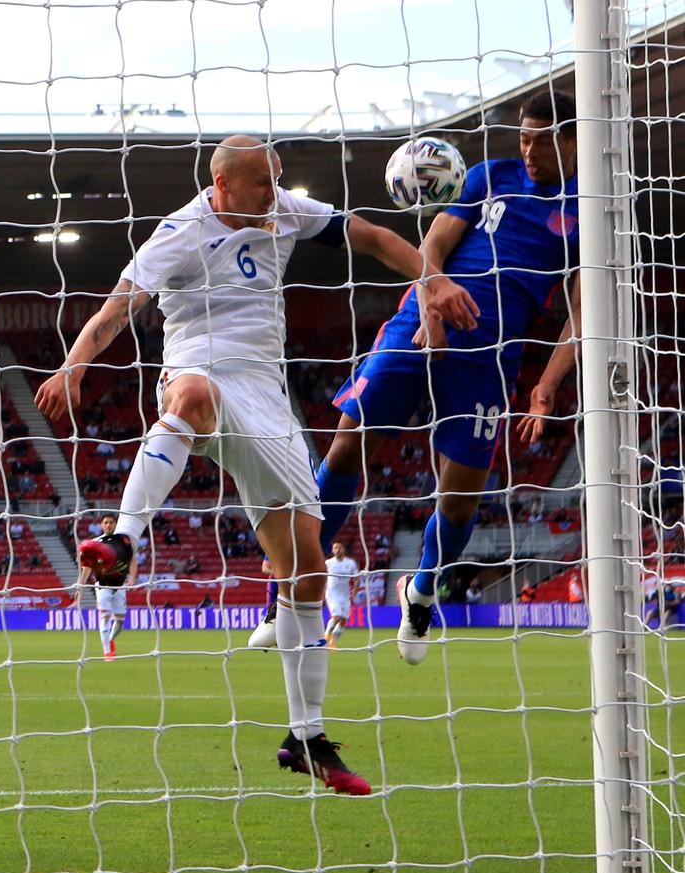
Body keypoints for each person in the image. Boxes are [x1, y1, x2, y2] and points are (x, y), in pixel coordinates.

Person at [34, 134, 470, 796]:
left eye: (277, 179)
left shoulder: (286, 211)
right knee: (190, 395)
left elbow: (373, 237)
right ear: (222, 185)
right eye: (262, 182)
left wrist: (431, 280)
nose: (276, 191)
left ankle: (307, 739)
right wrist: (75, 364)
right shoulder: (179, 231)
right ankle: (123, 543)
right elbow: (120, 307)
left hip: (267, 399)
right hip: (202, 368)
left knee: (306, 570)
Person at [313, 91, 581, 665]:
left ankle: (422, 588)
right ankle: (295, 587)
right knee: (345, 443)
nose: (528, 150)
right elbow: (432, 244)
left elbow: (581, 316)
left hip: (489, 360)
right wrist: (432, 303)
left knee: (459, 504)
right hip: (418, 325)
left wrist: (546, 385)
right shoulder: (490, 175)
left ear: (571, 139)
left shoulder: (590, 208)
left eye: (540, 140)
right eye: (524, 138)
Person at [89, 513, 135, 660]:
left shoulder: (123, 541)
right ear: (101, 525)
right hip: (102, 584)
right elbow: (87, 565)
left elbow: (132, 560)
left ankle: (109, 639)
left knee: (121, 620)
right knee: (104, 617)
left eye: (111, 522)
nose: (108, 525)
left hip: (120, 584)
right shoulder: (95, 542)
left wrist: (132, 578)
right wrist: (81, 582)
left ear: (116, 524)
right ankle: (107, 652)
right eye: (106, 522)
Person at [322, 541, 361, 646]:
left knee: (343, 621)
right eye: (335, 548)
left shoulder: (350, 563)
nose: (337, 550)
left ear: (344, 549)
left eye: (339, 547)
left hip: (345, 595)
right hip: (332, 594)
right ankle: (326, 634)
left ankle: (333, 642)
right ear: (332, 550)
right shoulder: (328, 563)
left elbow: (357, 579)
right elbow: (322, 578)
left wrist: (355, 591)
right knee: (337, 617)